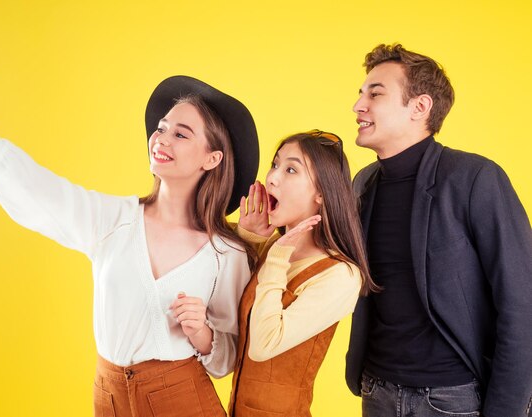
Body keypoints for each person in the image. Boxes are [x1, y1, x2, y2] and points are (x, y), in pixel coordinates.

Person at [0, 70, 260, 417]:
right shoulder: (113, 219)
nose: (161, 139)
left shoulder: (227, 253)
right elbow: (44, 192)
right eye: (162, 128)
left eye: (180, 134)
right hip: (108, 396)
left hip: (182, 399)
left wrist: (202, 333)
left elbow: (228, 358)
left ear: (211, 159)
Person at [345, 44, 532, 417]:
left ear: (420, 107)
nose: (358, 105)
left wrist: (507, 409)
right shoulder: (362, 183)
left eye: (375, 94)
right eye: (361, 93)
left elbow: (521, 300)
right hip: (377, 390)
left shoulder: (476, 178)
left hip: (452, 399)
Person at [227, 130, 378, 417]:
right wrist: (249, 239)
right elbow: (227, 311)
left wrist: (276, 256)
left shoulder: (340, 275)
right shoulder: (272, 246)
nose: (272, 177)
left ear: (321, 193)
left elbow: (263, 344)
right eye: (275, 164)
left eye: (291, 169)